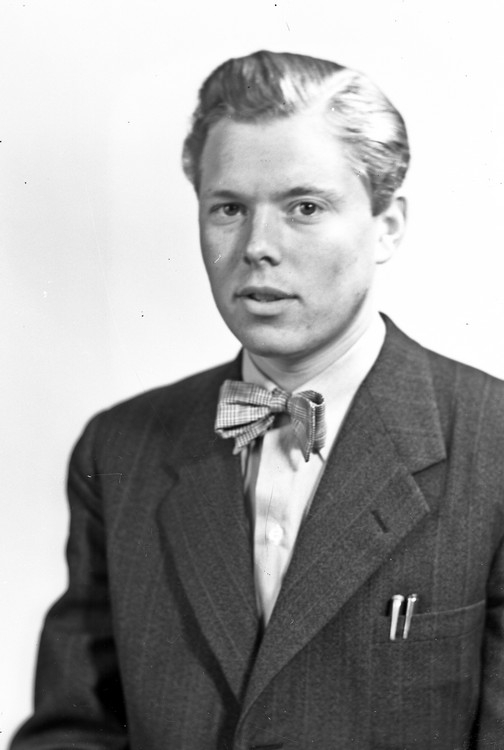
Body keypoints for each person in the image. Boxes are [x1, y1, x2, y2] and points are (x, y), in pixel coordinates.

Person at [11, 50, 504, 750]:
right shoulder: (119, 447)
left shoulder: (493, 443)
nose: (257, 247)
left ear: (387, 226)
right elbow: (74, 731)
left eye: (304, 207)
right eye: (229, 209)